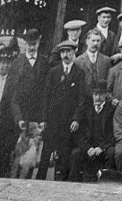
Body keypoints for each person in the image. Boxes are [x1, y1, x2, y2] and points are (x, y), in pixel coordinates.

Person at [37, 41, 85, 181]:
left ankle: (61, 184)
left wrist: (76, 119)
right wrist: (44, 119)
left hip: (68, 123)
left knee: (64, 156)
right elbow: (46, 96)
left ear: (74, 53)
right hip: (52, 121)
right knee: (45, 155)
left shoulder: (79, 73)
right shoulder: (53, 72)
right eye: (63, 52)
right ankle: (39, 182)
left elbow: (82, 99)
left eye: (68, 52)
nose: (65, 55)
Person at [69, 80, 116, 182]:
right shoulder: (85, 109)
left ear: (106, 95)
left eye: (101, 94)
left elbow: (113, 133)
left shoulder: (111, 110)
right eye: (95, 94)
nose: (98, 97)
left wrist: (102, 147)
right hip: (88, 145)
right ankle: (73, 185)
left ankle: (108, 182)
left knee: (111, 153)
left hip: (103, 145)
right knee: (75, 154)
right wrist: (87, 148)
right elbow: (78, 134)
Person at [10, 29, 49, 136]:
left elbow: (47, 94)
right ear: (25, 44)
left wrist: (43, 119)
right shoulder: (16, 64)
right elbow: (13, 95)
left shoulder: (45, 63)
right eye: (29, 44)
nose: (31, 48)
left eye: (34, 44)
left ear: (38, 43)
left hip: (38, 118)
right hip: (21, 118)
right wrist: (18, 118)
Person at [0, 42, 20, 177]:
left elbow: (15, 102)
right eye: (1, 62)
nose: (4, 66)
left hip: (6, 125)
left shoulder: (14, 81)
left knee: (4, 155)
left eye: (7, 63)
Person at [75, 29, 111, 97]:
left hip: (100, 98)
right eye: (93, 41)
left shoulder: (106, 60)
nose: (95, 43)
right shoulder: (78, 61)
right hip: (84, 98)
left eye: (98, 41)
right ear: (87, 41)